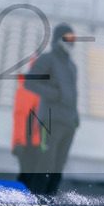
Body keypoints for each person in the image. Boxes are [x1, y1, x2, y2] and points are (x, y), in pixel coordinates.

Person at [22, 22, 80, 196]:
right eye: (68, 38)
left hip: (68, 122)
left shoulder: (72, 65)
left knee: (59, 164)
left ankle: (49, 199)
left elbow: (73, 94)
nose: (72, 42)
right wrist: (53, 94)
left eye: (74, 38)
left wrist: (76, 117)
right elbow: (29, 81)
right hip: (51, 119)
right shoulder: (48, 59)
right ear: (58, 38)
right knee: (46, 161)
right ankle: (36, 197)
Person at [11, 68, 42, 188]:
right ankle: (21, 202)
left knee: (30, 175)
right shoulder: (28, 89)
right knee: (28, 175)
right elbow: (21, 116)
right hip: (29, 142)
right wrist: (19, 141)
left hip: (33, 141)